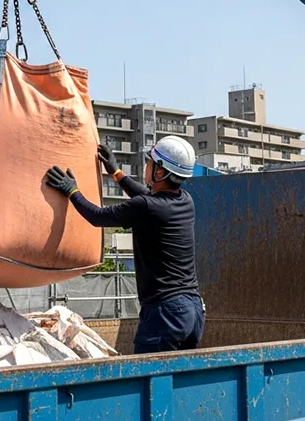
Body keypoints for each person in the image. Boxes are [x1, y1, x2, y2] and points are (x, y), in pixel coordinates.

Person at [45, 136, 205, 354]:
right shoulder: (185, 200)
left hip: (165, 313)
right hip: (193, 311)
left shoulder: (147, 207)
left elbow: (97, 216)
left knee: (147, 381)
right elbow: (147, 196)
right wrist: (116, 172)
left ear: (160, 172)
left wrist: (71, 191)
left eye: (150, 162)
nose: (147, 165)